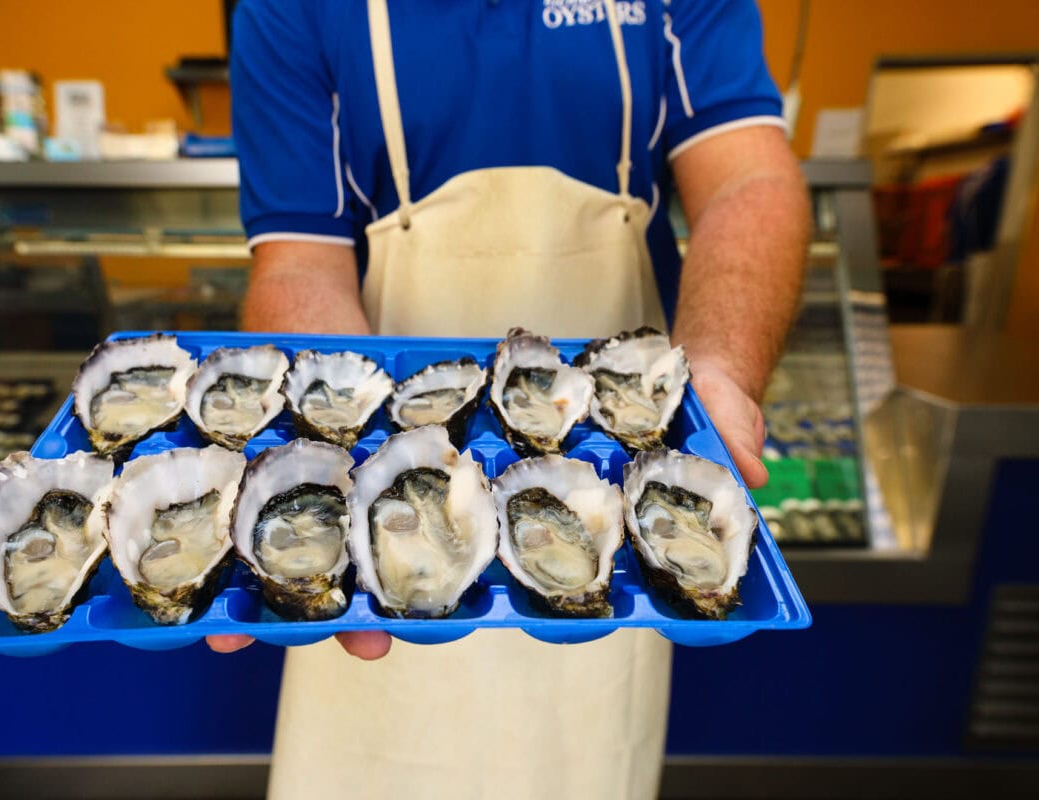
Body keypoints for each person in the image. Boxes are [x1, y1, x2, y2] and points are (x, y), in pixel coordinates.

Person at [209, 1, 810, 798]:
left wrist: (720, 370)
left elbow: (747, 177)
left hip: (609, 530)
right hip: (380, 537)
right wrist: (328, 456)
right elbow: (299, 263)